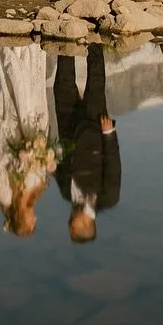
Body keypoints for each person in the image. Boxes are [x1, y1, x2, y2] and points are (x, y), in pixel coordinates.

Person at [54, 44, 121, 244]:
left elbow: (58, 168)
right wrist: (109, 134)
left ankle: (65, 37)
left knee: (62, 85)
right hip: (95, 132)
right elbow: (113, 166)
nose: (68, 222)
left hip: (68, 130)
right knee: (96, 83)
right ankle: (94, 40)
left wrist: (50, 164)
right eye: (71, 226)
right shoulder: (108, 198)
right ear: (84, 225)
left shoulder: (67, 195)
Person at [0, 43, 54, 236]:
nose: (35, 219)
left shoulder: (6, 197)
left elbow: (1, 167)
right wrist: (47, 160)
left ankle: (13, 54)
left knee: (19, 99)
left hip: (15, 140)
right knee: (34, 97)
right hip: (37, 135)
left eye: (31, 223)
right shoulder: (35, 196)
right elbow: (40, 169)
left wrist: (19, 157)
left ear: (21, 220)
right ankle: (32, 51)